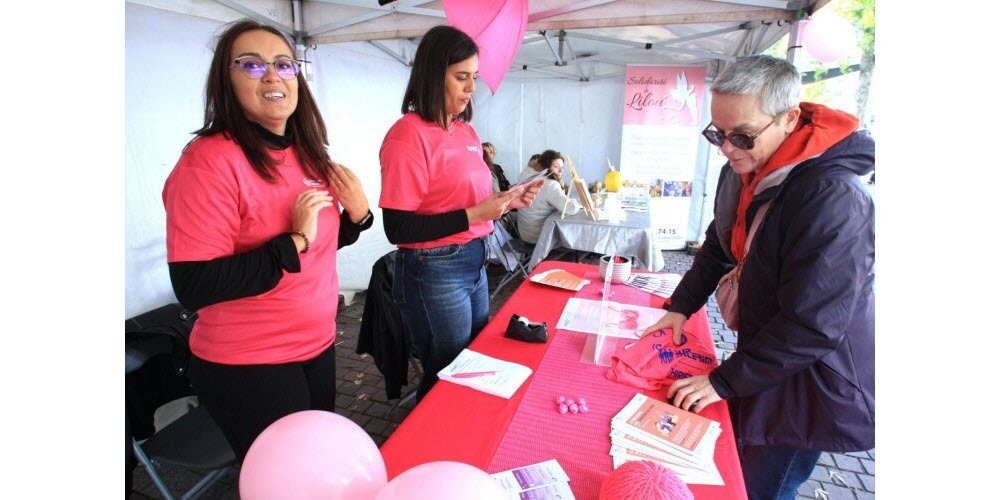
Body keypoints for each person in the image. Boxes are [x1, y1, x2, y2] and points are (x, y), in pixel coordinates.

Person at [640, 55, 874, 500]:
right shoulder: (745, 168)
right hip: (769, 353)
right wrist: (679, 308)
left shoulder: (834, 198)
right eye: (717, 134)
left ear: (788, 119)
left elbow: (813, 325)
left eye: (742, 135)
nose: (728, 148)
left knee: (761, 487)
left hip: (812, 381)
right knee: (744, 465)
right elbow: (717, 246)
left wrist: (723, 382)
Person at [161, 20, 373, 460]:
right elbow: (195, 286)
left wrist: (358, 216)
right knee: (287, 481)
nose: (272, 75)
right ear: (227, 79)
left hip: (317, 345)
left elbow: (316, 248)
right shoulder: (209, 162)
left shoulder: (306, 150)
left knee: (315, 470)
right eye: (252, 65)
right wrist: (291, 240)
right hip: (249, 363)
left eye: (283, 64)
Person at [378, 25, 541, 400]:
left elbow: (469, 202)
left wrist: (507, 203)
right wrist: (473, 214)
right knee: (448, 372)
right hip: (433, 268)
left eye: (475, 78)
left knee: (471, 362)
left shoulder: (466, 132)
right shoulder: (407, 135)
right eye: (461, 77)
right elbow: (397, 227)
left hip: (474, 259)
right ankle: (428, 447)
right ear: (433, 76)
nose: (471, 88)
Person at [516, 149, 581, 244]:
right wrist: (579, 202)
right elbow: (571, 209)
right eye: (556, 166)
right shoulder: (549, 184)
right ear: (546, 166)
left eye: (562, 167)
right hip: (540, 237)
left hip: (524, 233)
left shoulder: (525, 174)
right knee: (577, 235)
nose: (561, 171)